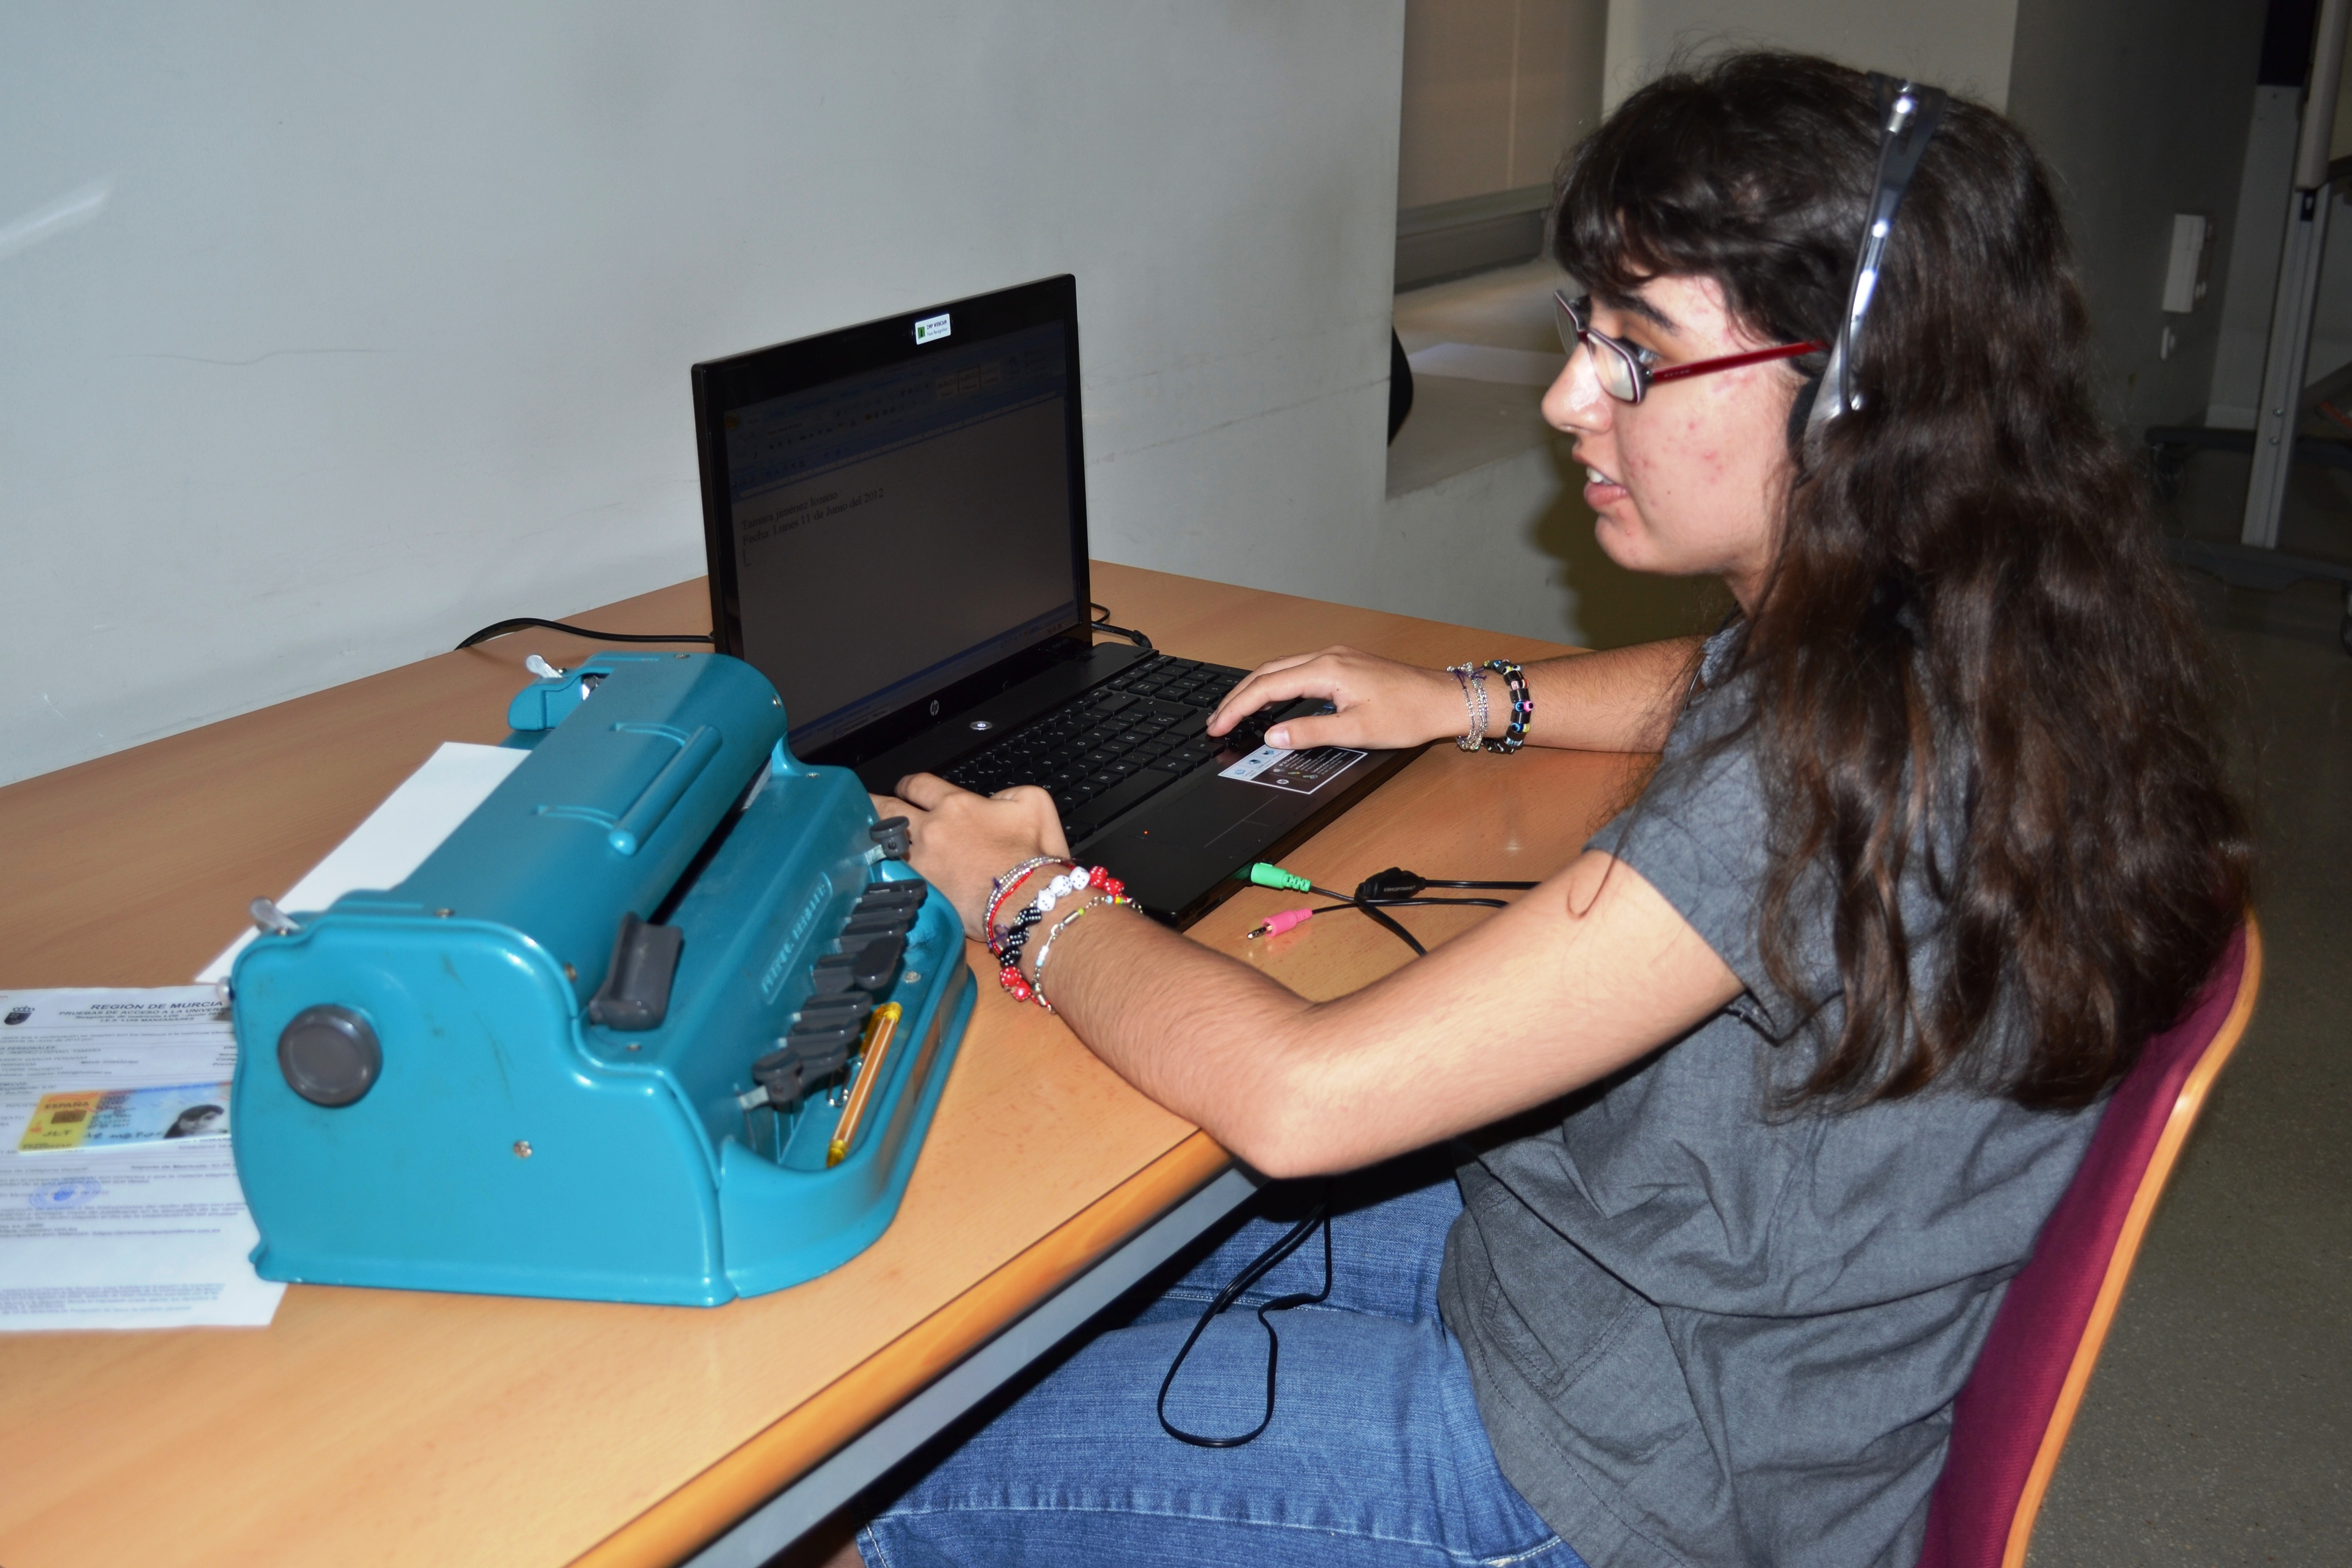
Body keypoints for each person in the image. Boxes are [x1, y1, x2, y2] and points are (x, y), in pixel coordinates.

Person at [852, 52, 2250, 1568]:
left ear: (1854, 399)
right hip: (1649, 1301)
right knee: (1010, 1310)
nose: (1567, 398)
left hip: (1631, 1471)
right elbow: (1708, 676)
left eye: (1638, 354)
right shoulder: (1979, 615)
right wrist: (1470, 700)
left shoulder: (1810, 782)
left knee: (885, 1484)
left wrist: (1033, 896)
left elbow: (1305, 1103)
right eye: (1584, 331)